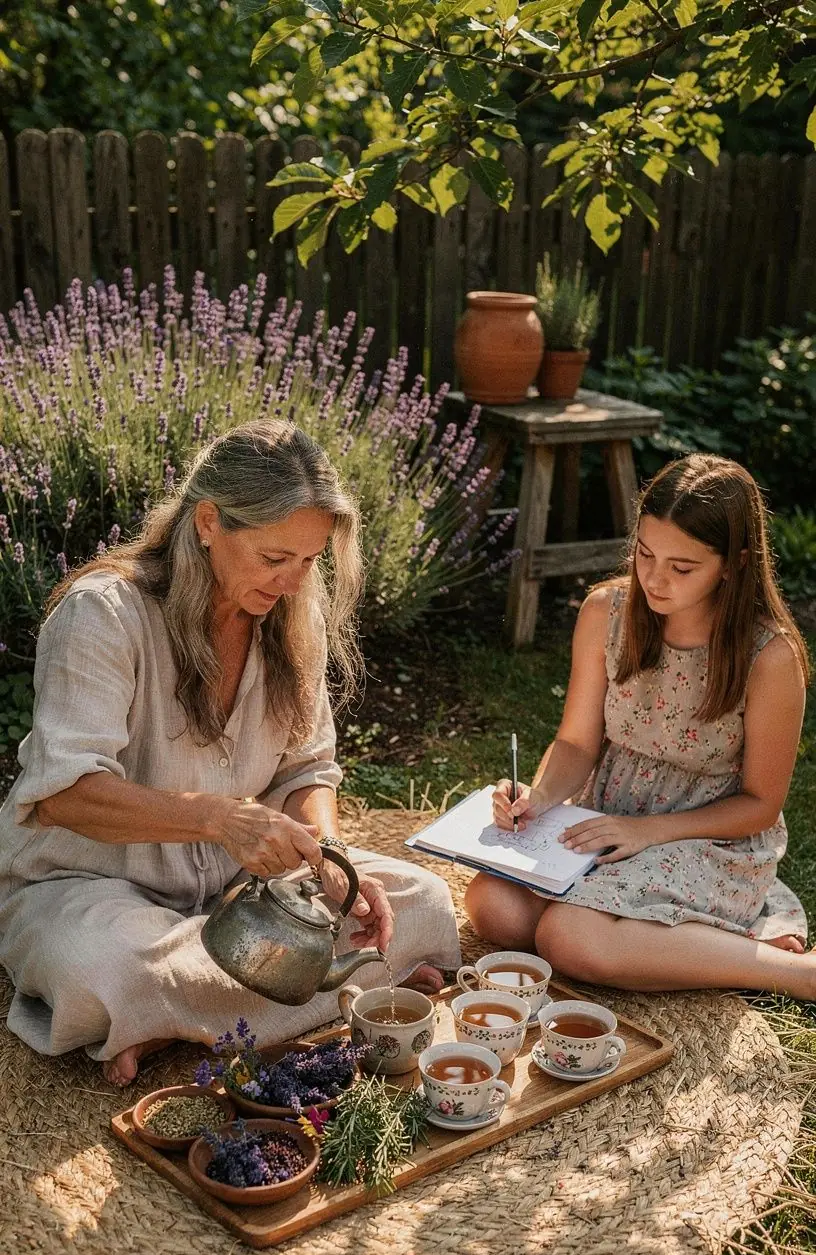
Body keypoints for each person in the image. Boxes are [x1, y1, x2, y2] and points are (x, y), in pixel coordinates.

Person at [0, 420, 460, 1085]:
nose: (295, 583)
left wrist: (328, 862)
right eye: (276, 558)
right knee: (105, 969)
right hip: (85, 886)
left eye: (310, 561)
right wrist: (219, 819)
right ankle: (200, 1003)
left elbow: (306, 770)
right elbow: (66, 794)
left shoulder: (287, 616)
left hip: (234, 895)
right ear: (209, 522)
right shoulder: (102, 615)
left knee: (420, 901)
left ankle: (168, 1022)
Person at [466, 453, 816, 999]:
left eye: (681, 568)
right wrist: (540, 797)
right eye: (645, 553)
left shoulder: (768, 656)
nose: (654, 578)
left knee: (567, 937)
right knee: (493, 907)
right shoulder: (605, 613)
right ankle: (679, 936)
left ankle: (792, 972)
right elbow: (577, 741)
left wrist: (646, 833)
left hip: (706, 838)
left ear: (735, 563)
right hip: (609, 815)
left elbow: (760, 804)